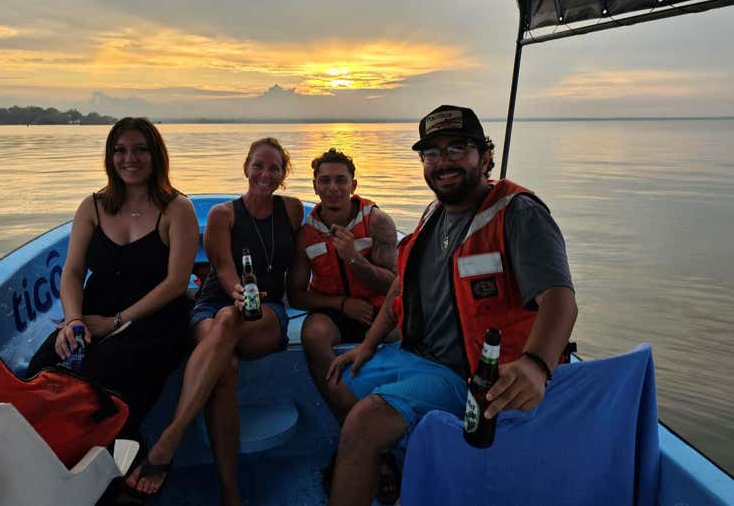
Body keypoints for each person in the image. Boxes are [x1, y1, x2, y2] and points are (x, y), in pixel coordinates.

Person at [323, 105, 578, 506]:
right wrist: (367, 347)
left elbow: (560, 301)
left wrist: (535, 365)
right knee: (336, 381)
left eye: (457, 149)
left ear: (485, 156)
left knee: (362, 425)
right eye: (432, 154)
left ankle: (374, 451)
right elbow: (398, 292)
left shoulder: (518, 213)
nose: (442, 163)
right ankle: (387, 461)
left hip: (473, 376)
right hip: (419, 355)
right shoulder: (433, 216)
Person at [126, 137, 304, 505]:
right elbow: (223, 271)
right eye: (258, 165)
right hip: (215, 305)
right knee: (225, 362)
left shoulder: (292, 210)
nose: (265, 174)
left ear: (283, 174)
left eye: (274, 168)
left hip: (267, 313)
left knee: (229, 324)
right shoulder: (223, 215)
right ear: (246, 167)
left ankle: (168, 441)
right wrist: (238, 292)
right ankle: (231, 492)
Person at [27, 117, 198, 448]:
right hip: (94, 311)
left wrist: (116, 322)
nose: (129, 159)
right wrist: (73, 321)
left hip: (154, 318)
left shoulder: (177, 209)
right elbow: (73, 271)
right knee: (42, 369)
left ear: (156, 156)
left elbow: (177, 282)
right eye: (120, 150)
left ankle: (121, 462)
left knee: (108, 378)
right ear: (110, 157)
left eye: (140, 150)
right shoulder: (92, 206)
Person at [288, 148, 399, 422]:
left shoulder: (377, 222)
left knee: (409, 333)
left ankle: (397, 410)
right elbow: (296, 295)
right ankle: (349, 415)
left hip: (377, 307)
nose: (333, 188)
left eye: (341, 180)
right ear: (315, 186)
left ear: (354, 185)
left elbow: (394, 285)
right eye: (325, 181)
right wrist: (342, 304)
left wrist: (353, 258)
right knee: (313, 334)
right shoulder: (305, 234)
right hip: (333, 309)